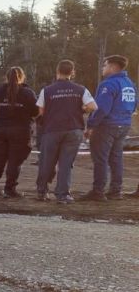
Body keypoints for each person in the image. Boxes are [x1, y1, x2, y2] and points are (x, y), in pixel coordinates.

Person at [34, 60, 97, 203]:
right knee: (66, 164)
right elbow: (93, 106)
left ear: (57, 71)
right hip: (74, 129)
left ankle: (42, 192)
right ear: (72, 72)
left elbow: (40, 111)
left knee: (47, 162)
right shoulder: (80, 89)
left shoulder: (47, 90)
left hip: (52, 129)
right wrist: (82, 109)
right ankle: (63, 194)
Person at [80, 55, 137, 201]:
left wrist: (91, 125)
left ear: (112, 67)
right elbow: (134, 105)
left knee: (101, 159)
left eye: (104, 65)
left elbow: (101, 109)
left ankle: (98, 191)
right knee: (116, 158)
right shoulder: (129, 83)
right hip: (124, 125)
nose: (102, 68)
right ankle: (115, 191)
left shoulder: (108, 84)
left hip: (107, 126)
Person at [0, 67, 38, 197]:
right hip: (21, 131)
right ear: (22, 77)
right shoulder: (28, 93)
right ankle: (10, 189)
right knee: (15, 161)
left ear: (7, 77)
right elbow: (35, 111)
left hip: (0, 129)